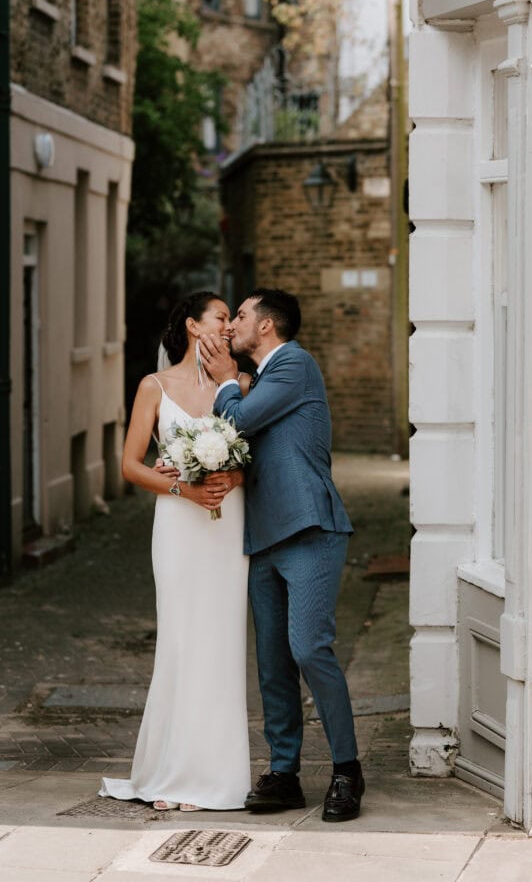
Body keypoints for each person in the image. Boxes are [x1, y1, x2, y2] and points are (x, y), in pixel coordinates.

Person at [200, 287, 364, 823]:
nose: (232, 325)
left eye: (240, 316)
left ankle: (347, 770)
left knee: (309, 648)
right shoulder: (264, 377)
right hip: (264, 537)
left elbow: (238, 422)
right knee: (272, 663)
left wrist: (227, 379)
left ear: (266, 326)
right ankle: (284, 772)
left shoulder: (293, 364)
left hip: (310, 529)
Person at [99, 291, 251, 812]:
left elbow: (257, 455)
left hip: (228, 526)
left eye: (233, 318)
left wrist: (233, 471)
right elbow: (130, 465)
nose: (230, 326)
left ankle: (216, 775)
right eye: (222, 317)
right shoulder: (154, 386)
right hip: (178, 526)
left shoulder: (242, 385)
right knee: (183, 640)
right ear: (193, 325)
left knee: (223, 641)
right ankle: (174, 770)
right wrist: (184, 488)